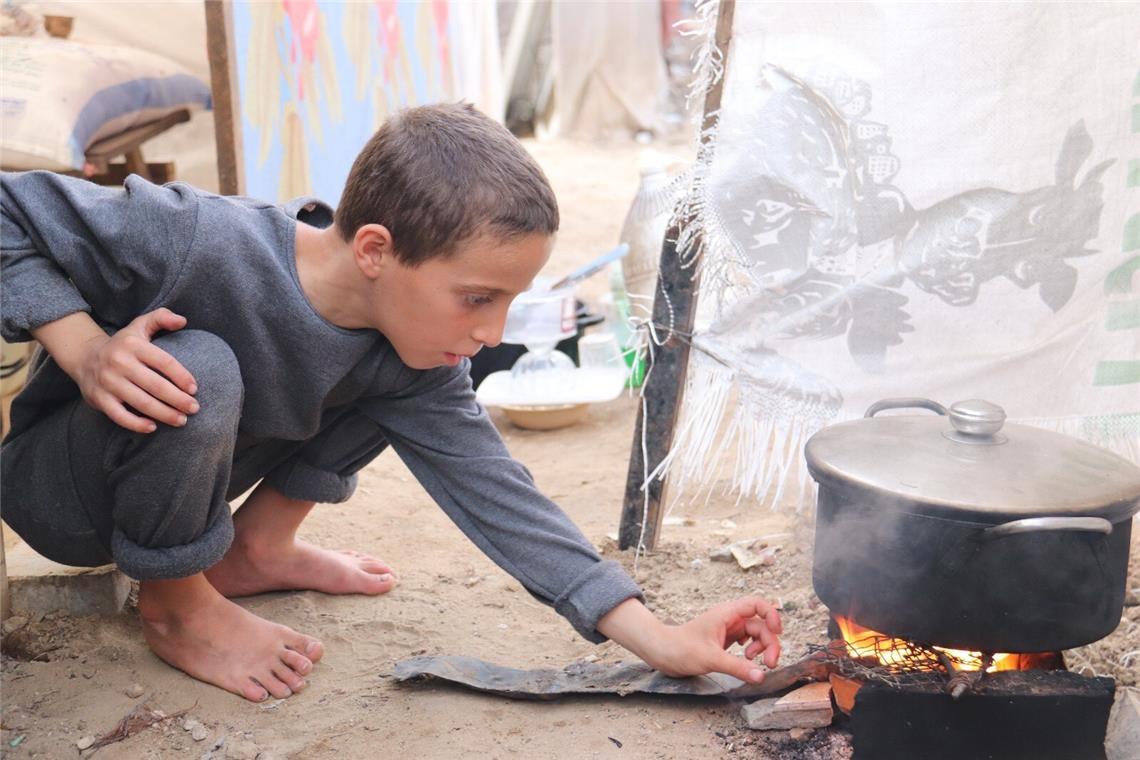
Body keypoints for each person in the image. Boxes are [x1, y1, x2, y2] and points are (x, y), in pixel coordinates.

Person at [0, 103, 781, 703]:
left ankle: (255, 549)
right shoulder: (194, 239)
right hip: (65, 493)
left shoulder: (418, 349)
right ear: (374, 248)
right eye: (478, 296)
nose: (492, 331)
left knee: (401, 365)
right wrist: (83, 345)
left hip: (189, 480)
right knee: (201, 366)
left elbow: (498, 494)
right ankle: (176, 606)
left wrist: (658, 637)